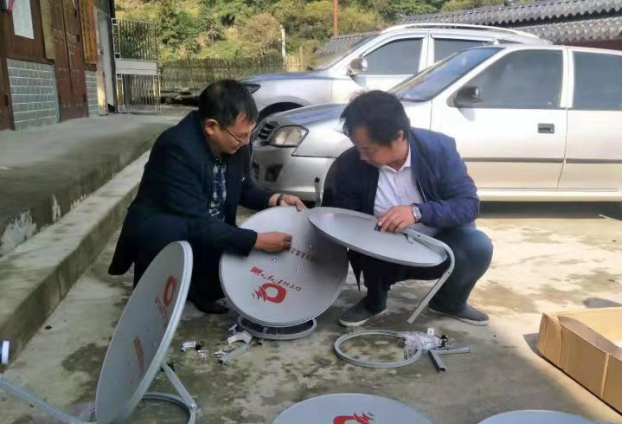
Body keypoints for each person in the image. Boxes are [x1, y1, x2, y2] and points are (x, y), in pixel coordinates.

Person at [108, 80, 304, 314]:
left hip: (209, 229)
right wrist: (257, 241)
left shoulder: (237, 141)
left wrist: (276, 199)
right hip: (169, 231)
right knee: (161, 300)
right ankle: (163, 286)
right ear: (212, 127)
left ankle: (200, 288)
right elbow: (195, 223)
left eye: (249, 135)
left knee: (218, 288)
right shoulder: (176, 148)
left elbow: (244, 189)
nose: (246, 142)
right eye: (240, 136)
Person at [332, 90, 493, 327]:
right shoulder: (350, 164)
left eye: (369, 149)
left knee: (477, 245)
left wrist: (417, 212)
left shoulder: (439, 150)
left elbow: (468, 204)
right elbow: (343, 218)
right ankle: (374, 300)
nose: (362, 156)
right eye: (358, 148)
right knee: (365, 242)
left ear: (399, 136)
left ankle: (449, 302)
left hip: (437, 242)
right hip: (380, 249)